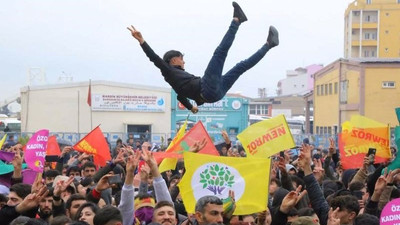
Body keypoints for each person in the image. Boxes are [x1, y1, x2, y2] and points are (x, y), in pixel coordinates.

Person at [127, 2, 279, 113]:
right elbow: (154, 58)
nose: (184, 61)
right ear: (173, 60)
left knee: (240, 67)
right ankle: (237, 20)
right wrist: (142, 41)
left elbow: (180, 97)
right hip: (207, 88)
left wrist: (191, 107)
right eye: (181, 58)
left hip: (215, 93)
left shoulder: (175, 81)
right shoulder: (169, 71)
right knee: (220, 53)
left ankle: (268, 44)